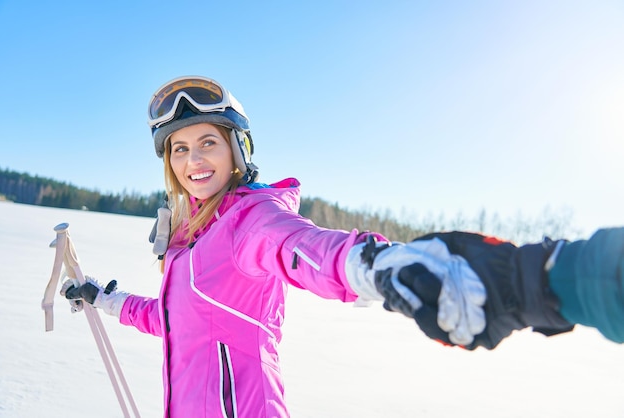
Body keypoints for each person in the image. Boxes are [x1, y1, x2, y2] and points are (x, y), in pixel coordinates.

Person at [61, 75, 624, 418]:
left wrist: (373, 265)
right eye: (179, 149)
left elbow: (302, 249)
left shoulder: (250, 220)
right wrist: (105, 298)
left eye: (209, 141)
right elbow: (173, 321)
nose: (194, 160)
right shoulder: (185, 247)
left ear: (237, 151)